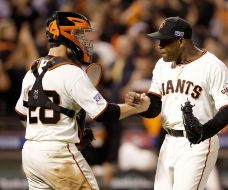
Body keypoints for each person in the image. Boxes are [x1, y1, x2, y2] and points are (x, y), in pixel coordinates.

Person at [15, 11, 150, 190]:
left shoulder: (32, 71)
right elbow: (104, 113)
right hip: (59, 155)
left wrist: (50, 134)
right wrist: (140, 107)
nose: (86, 39)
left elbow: (22, 115)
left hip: (31, 153)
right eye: (81, 33)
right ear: (67, 34)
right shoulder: (72, 72)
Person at [125, 17, 228, 190]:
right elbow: (154, 106)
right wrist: (141, 104)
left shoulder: (212, 66)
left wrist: (204, 132)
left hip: (198, 143)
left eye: (165, 41)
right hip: (169, 141)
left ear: (180, 40)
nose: (159, 46)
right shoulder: (161, 65)